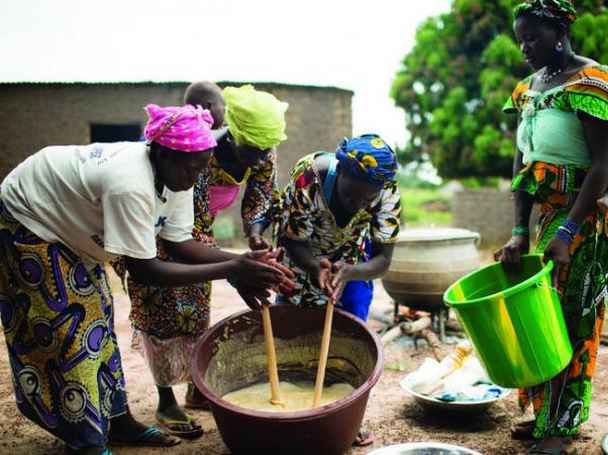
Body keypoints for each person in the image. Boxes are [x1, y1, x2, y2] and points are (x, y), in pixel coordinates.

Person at [0, 104, 292, 455]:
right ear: (164, 153)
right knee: (67, 332)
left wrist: (244, 262)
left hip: (71, 230)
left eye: (202, 168)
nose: (196, 177)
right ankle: (85, 442)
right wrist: (232, 269)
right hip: (30, 218)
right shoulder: (130, 183)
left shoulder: (181, 174)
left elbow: (181, 244)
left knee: (99, 322)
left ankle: (119, 422)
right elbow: (145, 270)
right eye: (191, 167)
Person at [495, 1, 608, 453]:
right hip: (550, 210)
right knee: (544, 311)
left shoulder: (593, 82)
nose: (524, 47)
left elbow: (603, 165)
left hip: (591, 213)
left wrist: (567, 233)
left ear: (559, 33)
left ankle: (563, 423)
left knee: (577, 312)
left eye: (533, 37)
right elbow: (522, 164)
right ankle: (544, 414)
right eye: (520, 38)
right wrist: (520, 230)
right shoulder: (528, 89)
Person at [113, 82, 288, 439]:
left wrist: (254, 236)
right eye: (251, 148)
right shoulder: (198, 150)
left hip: (194, 232)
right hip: (157, 227)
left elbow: (259, 197)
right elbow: (181, 230)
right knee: (159, 308)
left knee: (196, 308)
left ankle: (195, 389)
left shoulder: (263, 152)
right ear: (230, 134)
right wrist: (234, 266)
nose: (258, 156)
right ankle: (165, 400)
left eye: (264, 149)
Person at [277, 133, 400, 446]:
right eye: (351, 197)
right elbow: (292, 239)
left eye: (366, 200)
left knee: (351, 336)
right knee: (293, 336)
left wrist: (350, 272)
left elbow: (383, 260)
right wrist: (315, 266)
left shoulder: (387, 192)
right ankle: (293, 410)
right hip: (303, 258)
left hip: (352, 263)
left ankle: (345, 415)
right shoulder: (309, 177)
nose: (358, 205)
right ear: (339, 171)